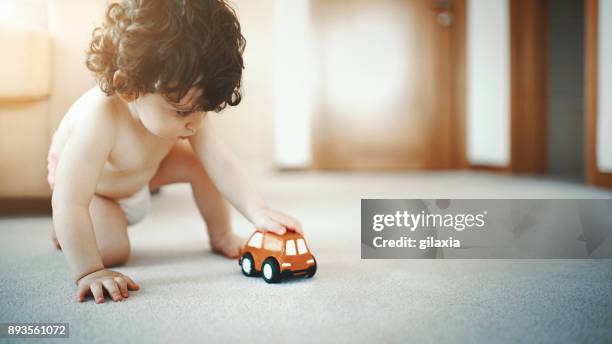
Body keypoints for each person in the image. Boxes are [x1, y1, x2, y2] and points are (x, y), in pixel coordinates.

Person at [48, 0, 301, 304]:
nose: (194, 125)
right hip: (98, 193)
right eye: (182, 112)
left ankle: (220, 234)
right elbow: (69, 200)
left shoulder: (188, 113)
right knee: (113, 250)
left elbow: (218, 160)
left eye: (204, 111)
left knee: (199, 164)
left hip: (143, 174)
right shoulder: (99, 119)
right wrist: (89, 271)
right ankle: (62, 233)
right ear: (128, 87)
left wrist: (257, 210)